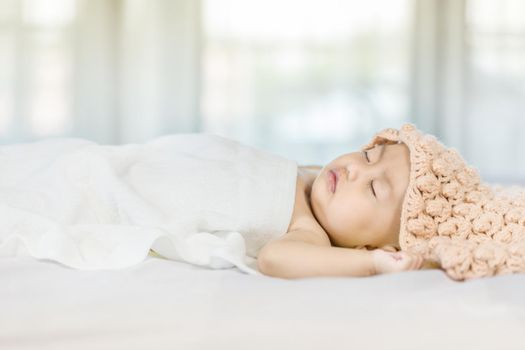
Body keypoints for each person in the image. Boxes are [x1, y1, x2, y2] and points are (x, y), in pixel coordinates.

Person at [257, 128, 428, 278]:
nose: (353, 169)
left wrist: (374, 263)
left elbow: (272, 258)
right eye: (368, 156)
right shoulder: (314, 176)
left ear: (369, 248)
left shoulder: (310, 233)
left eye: (374, 188)